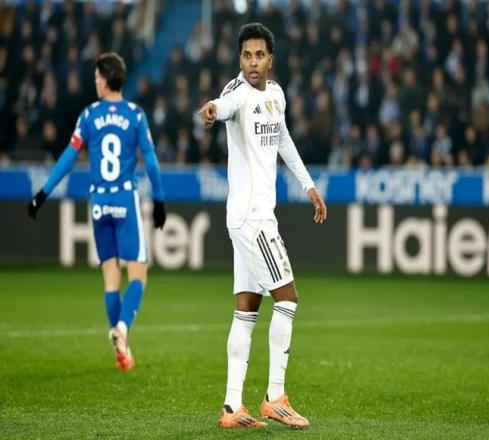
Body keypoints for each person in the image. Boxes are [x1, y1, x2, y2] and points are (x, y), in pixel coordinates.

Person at [199, 23, 327, 429]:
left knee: (247, 311)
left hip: (250, 219)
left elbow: (283, 139)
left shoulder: (276, 95)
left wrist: (308, 185)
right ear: (240, 59)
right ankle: (275, 397)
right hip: (252, 219)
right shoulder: (236, 94)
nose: (252, 62)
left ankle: (231, 406)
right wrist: (212, 110)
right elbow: (223, 107)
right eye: (246, 55)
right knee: (287, 299)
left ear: (270, 59)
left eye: (259, 55)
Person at [27, 52, 166, 371]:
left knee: (110, 277)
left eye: (96, 77)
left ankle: (122, 350)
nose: (95, 82)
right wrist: (159, 200)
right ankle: (122, 329)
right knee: (139, 273)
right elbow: (151, 160)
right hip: (125, 198)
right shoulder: (135, 114)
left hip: (99, 203)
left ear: (105, 79)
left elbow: (69, 156)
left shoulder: (89, 115)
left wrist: (43, 193)